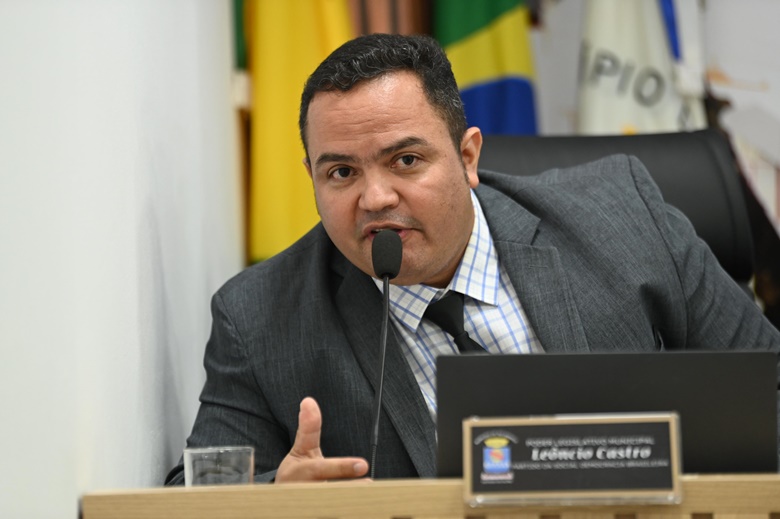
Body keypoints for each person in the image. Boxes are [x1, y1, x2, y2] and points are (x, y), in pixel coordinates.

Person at [165, 33, 780, 485]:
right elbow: (192, 490)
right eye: (342, 172)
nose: (374, 198)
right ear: (312, 178)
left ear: (467, 157)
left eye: (406, 160)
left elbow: (769, 386)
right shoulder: (261, 317)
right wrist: (273, 493)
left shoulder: (622, 218)